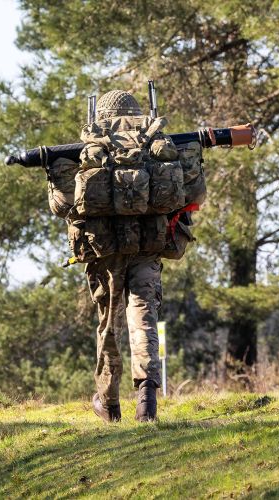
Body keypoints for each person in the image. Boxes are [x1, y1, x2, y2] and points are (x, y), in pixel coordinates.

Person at [72, 89, 189, 423]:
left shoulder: (92, 147)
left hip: (104, 251)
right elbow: (187, 195)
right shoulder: (154, 142)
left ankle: (109, 404)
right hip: (148, 248)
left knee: (109, 325)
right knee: (144, 320)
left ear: (101, 115)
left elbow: (65, 206)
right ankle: (146, 399)